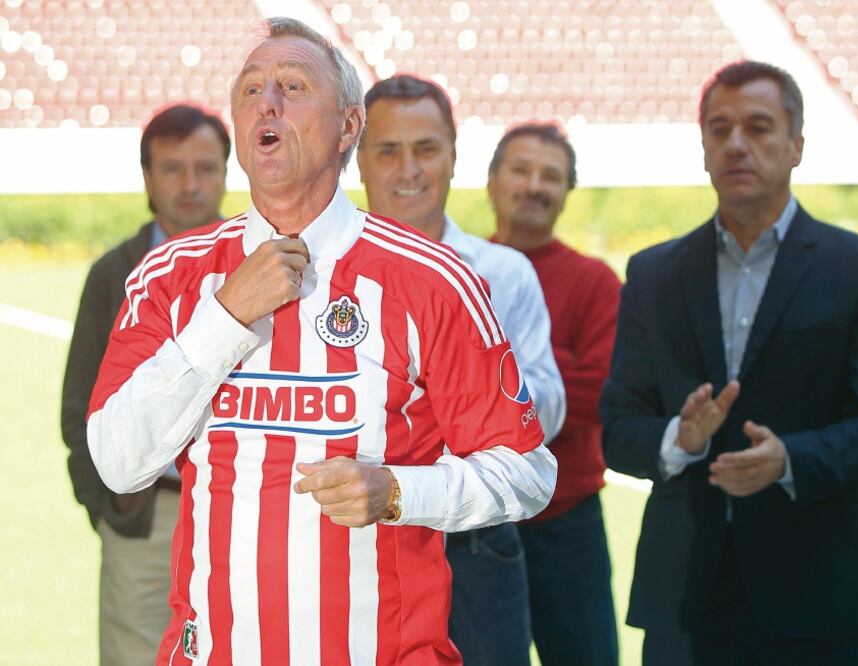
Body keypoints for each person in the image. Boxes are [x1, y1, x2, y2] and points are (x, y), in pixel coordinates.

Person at [86, 17, 556, 665]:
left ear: (348, 127)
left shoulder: (434, 281)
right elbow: (118, 461)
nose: (267, 103)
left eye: (293, 85)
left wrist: (397, 492)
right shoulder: (171, 276)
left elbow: (530, 472)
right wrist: (224, 318)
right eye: (250, 90)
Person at [600, 60, 858, 665]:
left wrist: (790, 460)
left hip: (826, 599)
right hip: (686, 601)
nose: (736, 143)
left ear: (797, 145)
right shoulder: (653, 274)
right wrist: (680, 438)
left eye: (759, 127)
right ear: (703, 149)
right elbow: (618, 428)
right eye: (719, 129)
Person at [356, 75, 566, 666]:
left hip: (476, 540)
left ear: (453, 156)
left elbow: (549, 405)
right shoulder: (320, 276)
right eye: (388, 150)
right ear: (359, 161)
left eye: (426, 148)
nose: (409, 169)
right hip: (357, 540)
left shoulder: (505, 272)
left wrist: (475, 384)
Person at [61, 103, 229, 666]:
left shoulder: (263, 260)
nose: (190, 184)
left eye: (205, 168)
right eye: (172, 168)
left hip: (235, 513)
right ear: (148, 180)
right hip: (146, 517)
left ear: (228, 174)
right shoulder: (115, 273)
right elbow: (78, 404)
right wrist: (108, 506)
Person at [488, 123, 620, 665]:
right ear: (492, 181)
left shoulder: (595, 282)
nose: (534, 185)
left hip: (568, 525)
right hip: (479, 521)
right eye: (521, 170)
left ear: (567, 192)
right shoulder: (461, 269)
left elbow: (598, 396)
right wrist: (549, 363)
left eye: (552, 176)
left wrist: (496, 370)